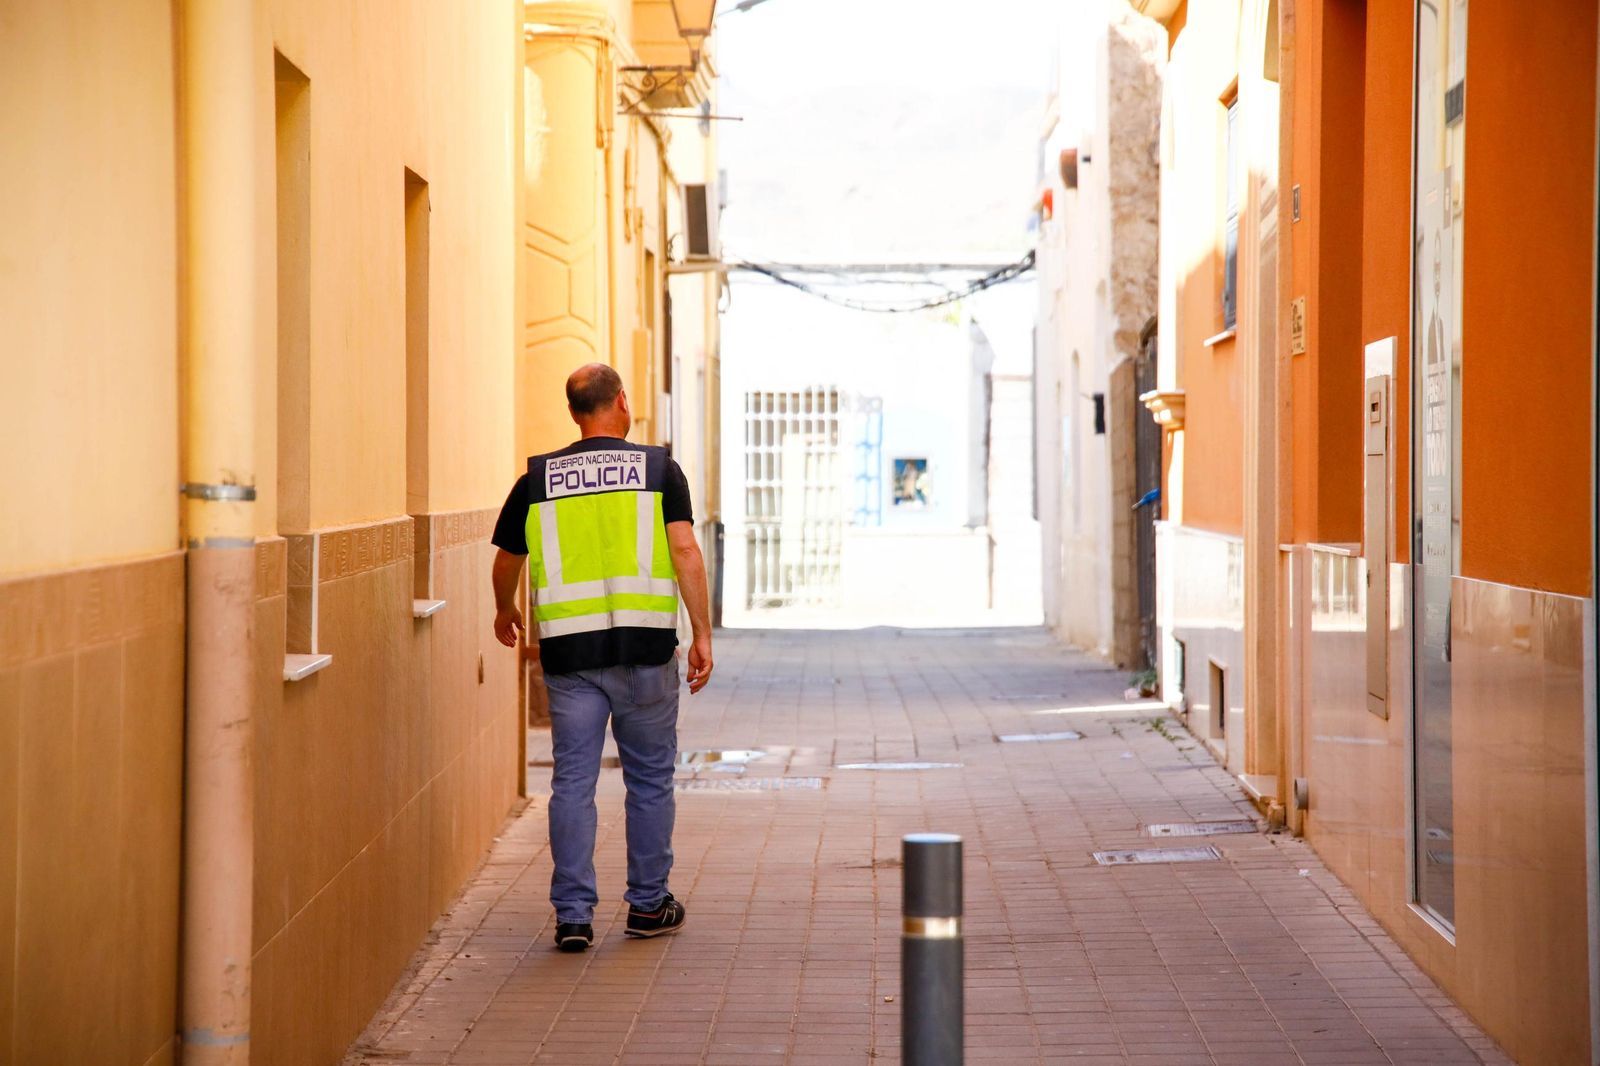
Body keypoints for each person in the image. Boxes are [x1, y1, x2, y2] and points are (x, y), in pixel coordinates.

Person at [490, 363, 714, 953]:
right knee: (648, 782)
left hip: (570, 657)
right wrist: (702, 636)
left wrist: (504, 609)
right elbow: (685, 550)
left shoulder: (537, 478)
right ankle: (647, 906)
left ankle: (572, 916)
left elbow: (507, 558)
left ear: (572, 412)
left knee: (572, 784)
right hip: (644, 652)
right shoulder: (660, 470)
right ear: (620, 402)